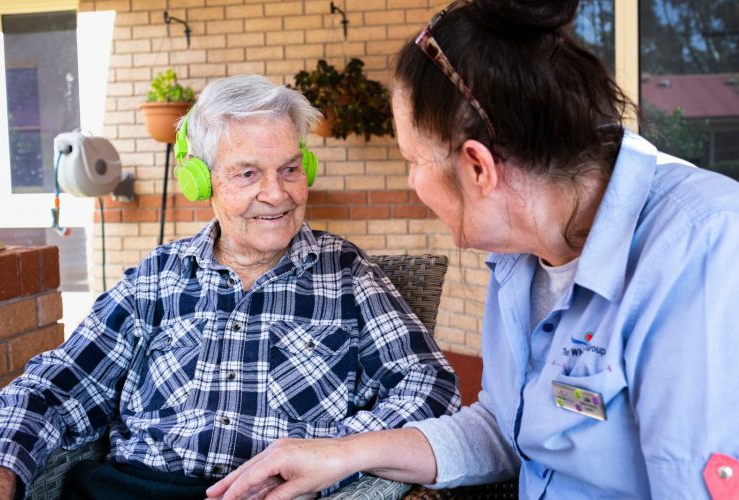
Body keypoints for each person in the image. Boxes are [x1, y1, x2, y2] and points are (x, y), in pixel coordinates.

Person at [204, 1, 739, 499]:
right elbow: (506, 429)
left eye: (413, 160)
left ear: (478, 167)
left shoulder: (702, 246)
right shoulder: (520, 253)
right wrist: (341, 454)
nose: (413, 182)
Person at [0, 74, 461, 500]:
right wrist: (1, 467)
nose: (277, 194)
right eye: (247, 173)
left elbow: (429, 386)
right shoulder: (156, 277)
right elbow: (58, 384)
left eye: (291, 169)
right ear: (201, 181)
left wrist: (336, 455)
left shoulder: (347, 275)